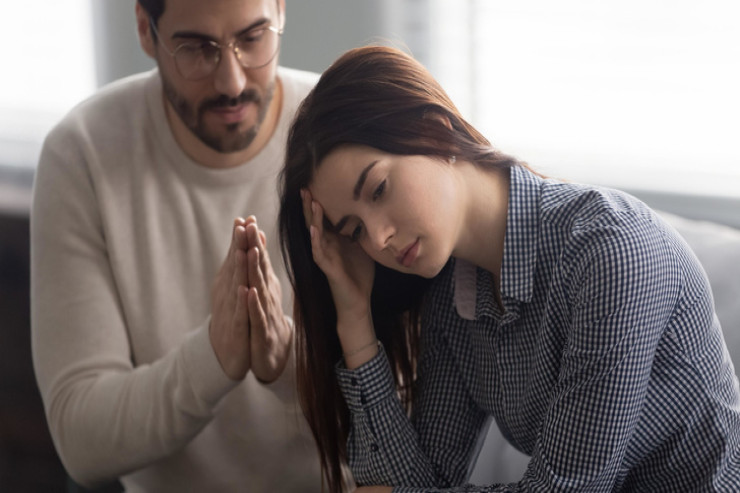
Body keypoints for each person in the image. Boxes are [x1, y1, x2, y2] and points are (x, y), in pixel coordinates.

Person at [278, 45, 740, 493]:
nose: (377, 239)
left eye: (378, 189)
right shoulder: (451, 302)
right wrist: (355, 320)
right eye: (355, 230)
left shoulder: (610, 250)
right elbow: (413, 481)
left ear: (435, 133)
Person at [31, 0, 322, 491]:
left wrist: (289, 359)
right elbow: (80, 439)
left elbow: (413, 402)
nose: (231, 81)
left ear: (281, 10)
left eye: (253, 38)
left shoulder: (340, 134)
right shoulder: (81, 155)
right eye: (197, 49)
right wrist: (212, 358)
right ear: (147, 30)